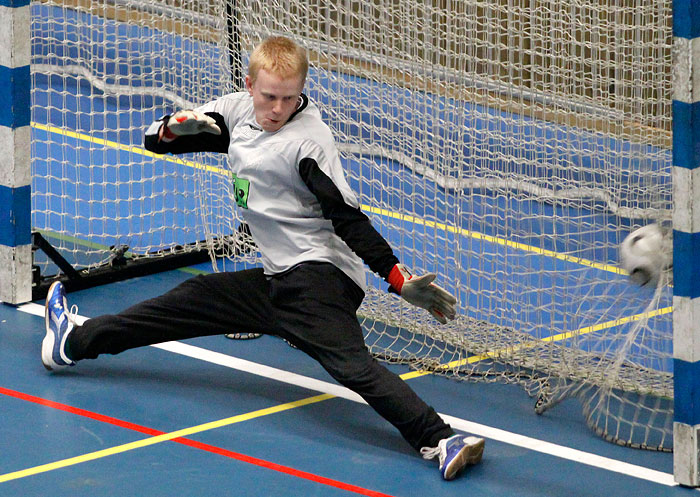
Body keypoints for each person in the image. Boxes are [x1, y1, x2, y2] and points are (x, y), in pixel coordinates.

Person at [41, 36, 485, 480]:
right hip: (278, 282)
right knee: (189, 299)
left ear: (302, 91)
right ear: (251, 86)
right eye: (269, 96)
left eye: (289, 98)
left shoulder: (308, 143)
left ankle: (441, 438)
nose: (277, 109)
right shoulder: (238, 111)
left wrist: (397, 278)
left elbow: (348, 219)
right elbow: (170, 139)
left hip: (319, 276)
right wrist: (169, 129)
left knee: (352, 366)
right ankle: (71, 342)